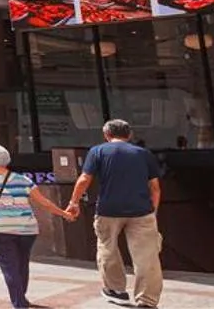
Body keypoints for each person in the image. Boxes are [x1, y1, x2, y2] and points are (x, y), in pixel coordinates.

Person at [65, 119, 166, 308]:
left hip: (108, 209)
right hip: (141, 210)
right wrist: (153, 211)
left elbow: (85, 179)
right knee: (147, 256)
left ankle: (116, 290)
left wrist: (74, 202)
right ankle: (147, 300)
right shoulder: (144, 154)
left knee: (107, 248)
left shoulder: (97, 151)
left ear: (106, 135)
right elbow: (155, 187)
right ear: (129, 135)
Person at [0, 142, 67, 309]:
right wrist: (64, 213)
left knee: (9, 267)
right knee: (22, 263)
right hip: (27, 229)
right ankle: (21, 297)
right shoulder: (24, 180)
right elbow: (43, 202)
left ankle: (19, 303)